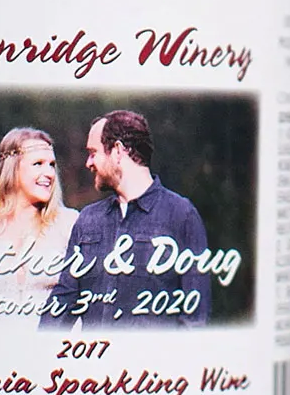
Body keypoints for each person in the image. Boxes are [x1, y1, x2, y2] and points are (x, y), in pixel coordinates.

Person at [44, 109, 213, 326]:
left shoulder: (181, 215)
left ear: (117, 151)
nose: (88, 163)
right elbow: (61, 305)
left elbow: (195, 319)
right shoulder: (88, 220)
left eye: (93, 153)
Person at [0, 127, 74, 329]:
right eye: (38, 164)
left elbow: (79, 306)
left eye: (52, 165)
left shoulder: (69, 223)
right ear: (13, 168)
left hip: (52, 345)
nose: (49, 173)